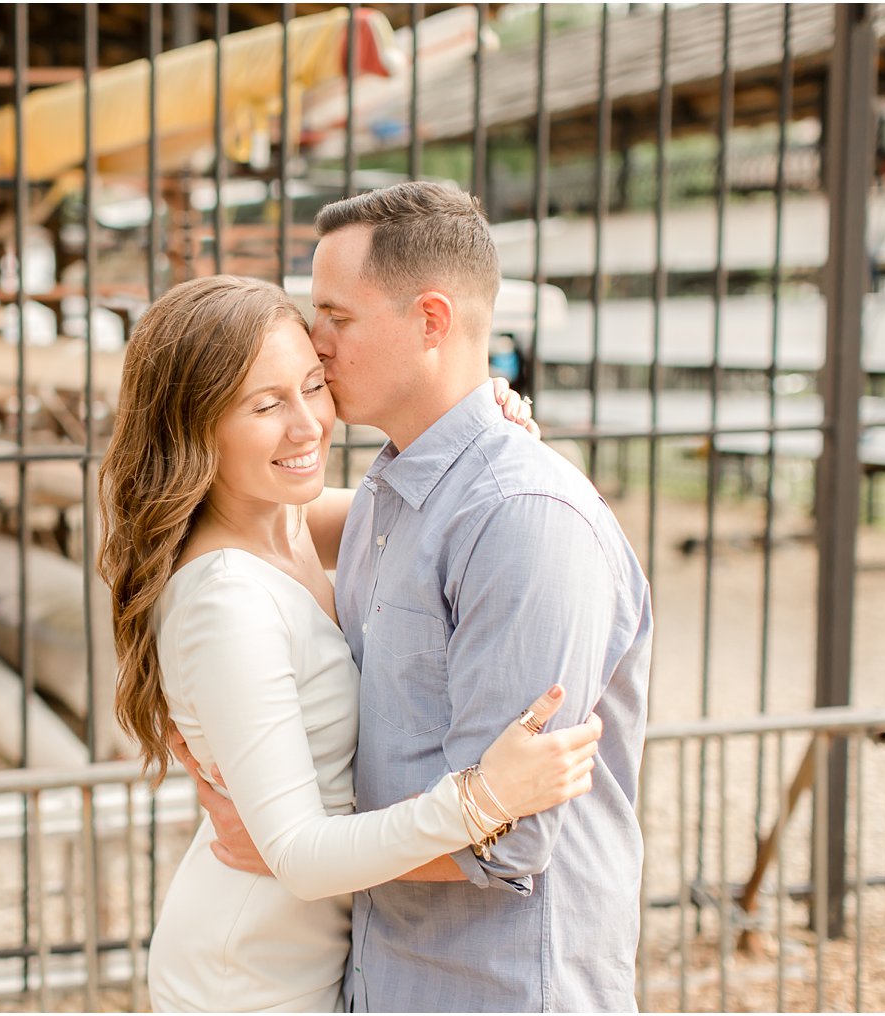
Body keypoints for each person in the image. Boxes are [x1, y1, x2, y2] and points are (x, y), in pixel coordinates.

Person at [184, 182, 654, 1012]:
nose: (313, 342)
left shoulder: (519, 520)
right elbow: (215, 512)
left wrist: (292, 850)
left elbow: (506, 843)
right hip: (382, 975)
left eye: (337, 316)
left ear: (431, 321)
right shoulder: (388, 491)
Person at [97, 274, 604, 1013]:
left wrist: (487, 418)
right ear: (193, 424)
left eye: (312, 385)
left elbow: (440, 503)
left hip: (317, 955)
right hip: (251, 980)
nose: (308, 426)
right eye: (266, 405)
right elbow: (300, 856)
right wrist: (483, 797)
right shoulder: (228, 600)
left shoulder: (290, 523)